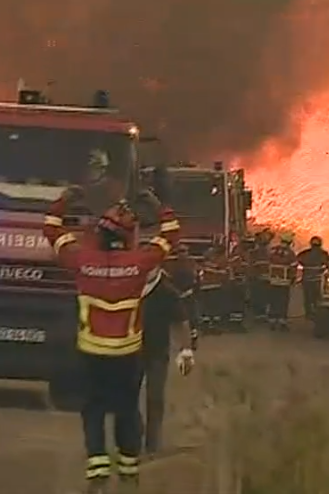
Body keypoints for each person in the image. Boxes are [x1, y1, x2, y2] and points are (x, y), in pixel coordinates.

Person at [42, 186, 193, 494]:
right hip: (127, 354)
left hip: (91, 352)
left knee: (93, 409)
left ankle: (98, 472)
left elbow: (51, 231)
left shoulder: (81, 260)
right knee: (126, 409)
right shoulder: (140, 263)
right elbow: (171, 236)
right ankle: (128, 472)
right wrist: (158, 206)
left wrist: (64, 202)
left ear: (99, 235)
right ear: (127, 237)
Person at [140, 244, 197, 456]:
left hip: (157, 351)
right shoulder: (128, 287)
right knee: (127, 398)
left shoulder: (167, 291)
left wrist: (186, 351)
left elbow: (182, 321)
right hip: (129, 351)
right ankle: (131, 439)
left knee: (155, 397)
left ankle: (152, 443)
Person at [267, 233, 298, 330]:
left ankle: (272, 320)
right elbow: (293, 266)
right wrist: (293, 278)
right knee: (283, 301)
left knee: (273, 300)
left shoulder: (272, 250)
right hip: (284, 282)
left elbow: (267, 262)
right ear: (290, 242)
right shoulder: (290, 253)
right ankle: (282, 321)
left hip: (272, 280)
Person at [297, 236, 329, 319]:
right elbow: (327, 264)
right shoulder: (323, 254)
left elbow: (298, 260)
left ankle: (308, 313)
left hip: (307, 280)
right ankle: (316, 313)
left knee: (307, 297)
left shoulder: (305, 253)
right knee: (317, 298)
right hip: (317, 280)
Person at [198, 245, 229, 328]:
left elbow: (224, 272)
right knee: (207, 306)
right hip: (206, 286)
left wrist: (213, 271)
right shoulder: (204, 263)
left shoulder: (221, 261)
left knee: (214, 305)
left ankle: (214, 323)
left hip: (215, 286)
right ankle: (207, 323)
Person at [249, 230, 273, 321]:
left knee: (260, 296)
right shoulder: (256, 253)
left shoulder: (258, 252)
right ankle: (259, 314)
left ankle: (260, 314)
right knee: (259, 297)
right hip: (258, 278)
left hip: (260, 278)